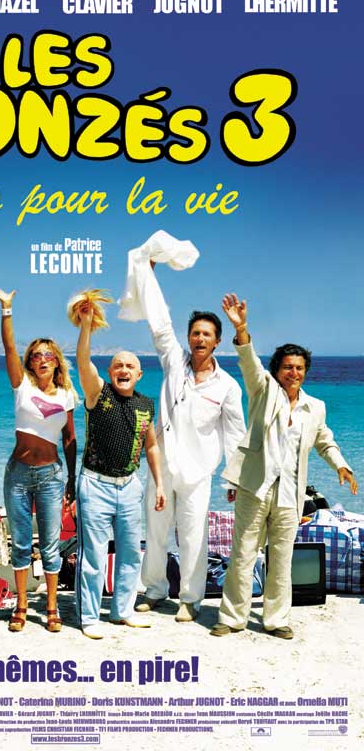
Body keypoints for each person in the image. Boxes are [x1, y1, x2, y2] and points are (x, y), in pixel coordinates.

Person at [211, 294, 358, 640]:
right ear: (277, 370)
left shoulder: (315, 407)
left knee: (281, 558)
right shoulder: (263, 391)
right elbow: (249, 362)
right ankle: (232, 617)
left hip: (291, 494)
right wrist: (242, 329)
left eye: (299, 368)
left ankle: (276, 619)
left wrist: (341, 465)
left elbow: (325, 440)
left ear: (306, 371)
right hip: (255, 487)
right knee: (243, 553)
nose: (294, 373)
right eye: (288, 367)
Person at [124, 243, 245, 621]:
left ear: (217, 341)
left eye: (206, 334)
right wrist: (147, 273)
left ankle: (190, 599)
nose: (199, 339)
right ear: (189, 337)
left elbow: (235, 433)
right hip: (162, 467)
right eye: (195, 333)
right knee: (156, 531)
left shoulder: (227, 386)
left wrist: (234, 478)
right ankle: (155, 590)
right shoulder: (174, 363)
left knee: (193, 535)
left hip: (198, 473)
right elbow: (159, 322)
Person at [75, 303, 166, 639]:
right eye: (118, 365)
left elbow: (151, 446)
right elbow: (83, 362)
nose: (123, 369)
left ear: (139, 375)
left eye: (130, 366)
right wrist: (86, 326)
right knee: (93, 556)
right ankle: (89, 617)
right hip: (95, 485)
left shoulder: (146, 404)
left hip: (130, 486)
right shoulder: (98, 394)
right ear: (110, 372)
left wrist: (158, 484)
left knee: (130, 554)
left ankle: (122, 611)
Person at [0, 287, 76, 633]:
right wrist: (7, 309)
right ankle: (22, 606)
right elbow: (9, 348)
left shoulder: (67, 394)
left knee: (51, 545)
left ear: (56, 361)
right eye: (36, 355)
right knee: (22, 543)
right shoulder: (21, 386)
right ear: (31, 362)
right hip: (19, 475)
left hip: (52, 476)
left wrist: (72, 479)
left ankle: (52, 608)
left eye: (48, 354)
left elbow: (70, 439)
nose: (42, 359)